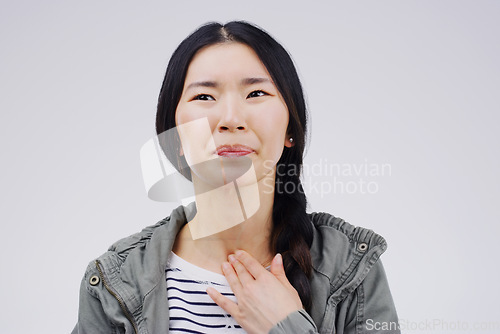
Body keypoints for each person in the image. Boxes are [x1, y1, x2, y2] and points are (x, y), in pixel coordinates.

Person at [72, 21, 400, 334]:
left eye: (256, 93)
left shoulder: (353, 266)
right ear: (175, 136)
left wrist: (287, 325)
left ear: (290, 129)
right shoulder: (115, 282)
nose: (231, 119)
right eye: (204, 97)